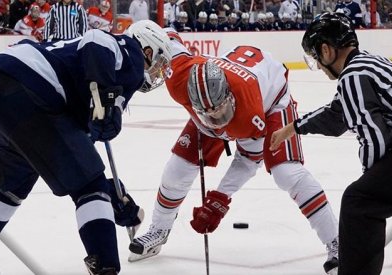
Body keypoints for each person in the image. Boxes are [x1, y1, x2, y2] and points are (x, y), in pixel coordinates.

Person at [0, 20, 172, 275]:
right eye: (158, 62)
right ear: (147, 49)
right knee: (91, 187)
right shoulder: (129, 50)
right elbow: (95, 39)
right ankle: (106, 268)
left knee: (13, 184)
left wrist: (112, 195)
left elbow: (71, 153)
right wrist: (104, 95)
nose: (157, 72)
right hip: (27, 93)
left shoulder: (93, 71)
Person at [128, 30, 340, 275]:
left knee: (287, 173)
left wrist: (221, 197)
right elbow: (167, 37)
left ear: (228, 95)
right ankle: (159, 229)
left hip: (271, 101)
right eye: (209, 115)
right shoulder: (178, 78)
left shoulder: (249, 113)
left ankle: (337, 242)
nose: (217, 120)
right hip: (214, 96)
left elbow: (249, 159)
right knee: (177, 169)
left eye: (219, 111)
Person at [269, 12, 392, 275]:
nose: (318, 64)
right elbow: (338, 113)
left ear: (326, 51)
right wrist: (294, 127)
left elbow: (375, 137)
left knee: (359, 202)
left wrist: (371, 182)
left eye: (316, 57)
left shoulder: (352, 76)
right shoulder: (368, 64)